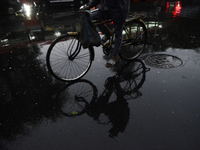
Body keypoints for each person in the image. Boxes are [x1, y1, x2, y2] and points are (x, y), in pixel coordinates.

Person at [84, 0, 130, 68]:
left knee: (118, 34)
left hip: (119, 10)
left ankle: (114, 56)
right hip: (107, 9)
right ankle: (107, 33)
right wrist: (89, 6)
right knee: (91, 18)